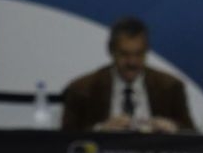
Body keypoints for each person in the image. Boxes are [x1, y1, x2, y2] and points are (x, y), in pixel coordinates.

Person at [59, 16, 195, 133]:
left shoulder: (171, 87)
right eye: (125, 54)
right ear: (111, 50)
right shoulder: (82, 89)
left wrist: (173, 128)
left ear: (147, 51)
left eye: (139, 54)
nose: (132, 62)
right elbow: (64, 140)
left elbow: (192, 135)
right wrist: (100, 130)